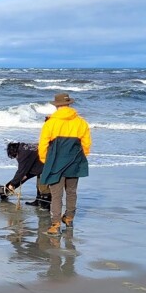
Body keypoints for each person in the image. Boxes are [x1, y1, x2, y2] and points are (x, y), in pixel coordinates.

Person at [38, 93, 91, 236]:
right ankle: (69, 218)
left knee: (56, 194)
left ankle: (55, 225)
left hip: (55, 162)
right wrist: (80, 157)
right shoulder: (81, 122)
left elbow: (43, 144)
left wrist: (45, 160)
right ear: (69, 105)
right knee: (72, 192)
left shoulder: (50, 123)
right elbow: (86, 145)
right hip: (75, 161)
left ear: (57, 106)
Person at [5, 142, 51, 209]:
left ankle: (46, 205)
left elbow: (21, 171)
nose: (16, 157)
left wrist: (12, 184)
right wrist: (26, 175)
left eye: (14, 155)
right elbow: (30, 165)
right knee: (38, 185)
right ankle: (38, 201)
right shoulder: (24, 147)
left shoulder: (23, 154)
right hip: (42, 162)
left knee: (43, 186)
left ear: (14, 151)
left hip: (47, 164)